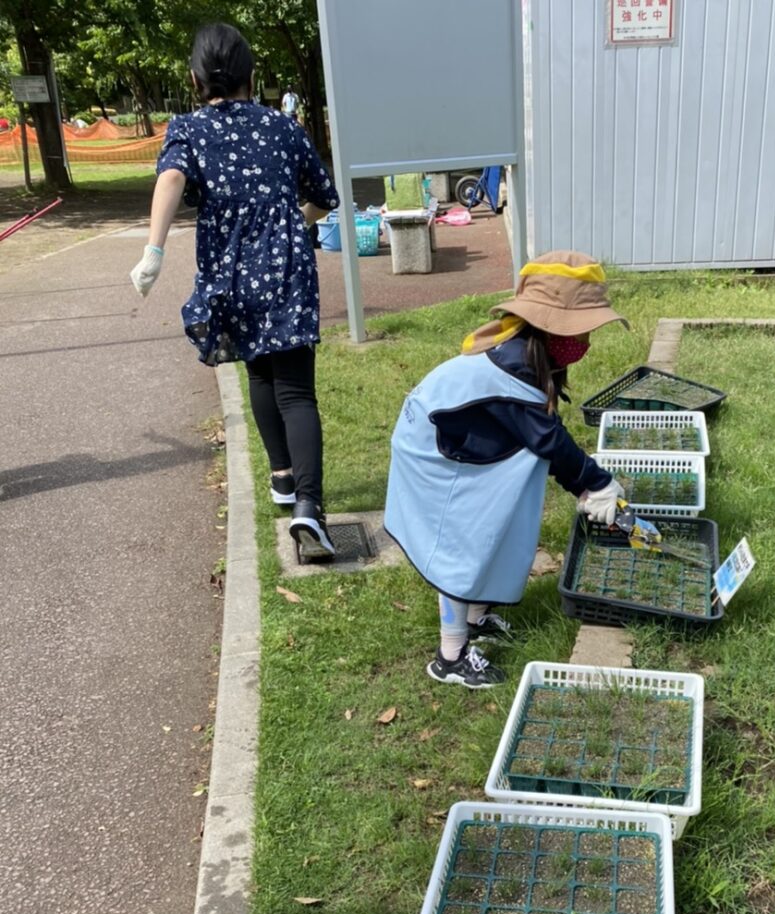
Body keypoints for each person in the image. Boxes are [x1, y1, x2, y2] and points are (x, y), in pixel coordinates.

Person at [128, 22, 340, 560]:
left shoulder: (190, 130)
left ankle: (283, 477)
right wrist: (295, 220)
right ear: (251, 75)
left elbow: (171, 179)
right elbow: (324, 196)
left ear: (196, 79)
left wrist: (153, 252)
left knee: (259, 371)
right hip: (286, 269)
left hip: (231, 273)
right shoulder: (282, 127)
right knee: (296, 389)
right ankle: (310, 508)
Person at [384, 251, 629, 688]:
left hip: (456, 437)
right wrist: (596, 484)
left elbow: (543, 438)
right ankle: (451, 655)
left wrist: (587, 486)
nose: (586, 339)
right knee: (463, 542)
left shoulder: (525, 353)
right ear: (550, 326)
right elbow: (550, 439)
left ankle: (477, 617)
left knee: (498, 518)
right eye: (581, 329)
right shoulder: (514, 368)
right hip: (432, 454)